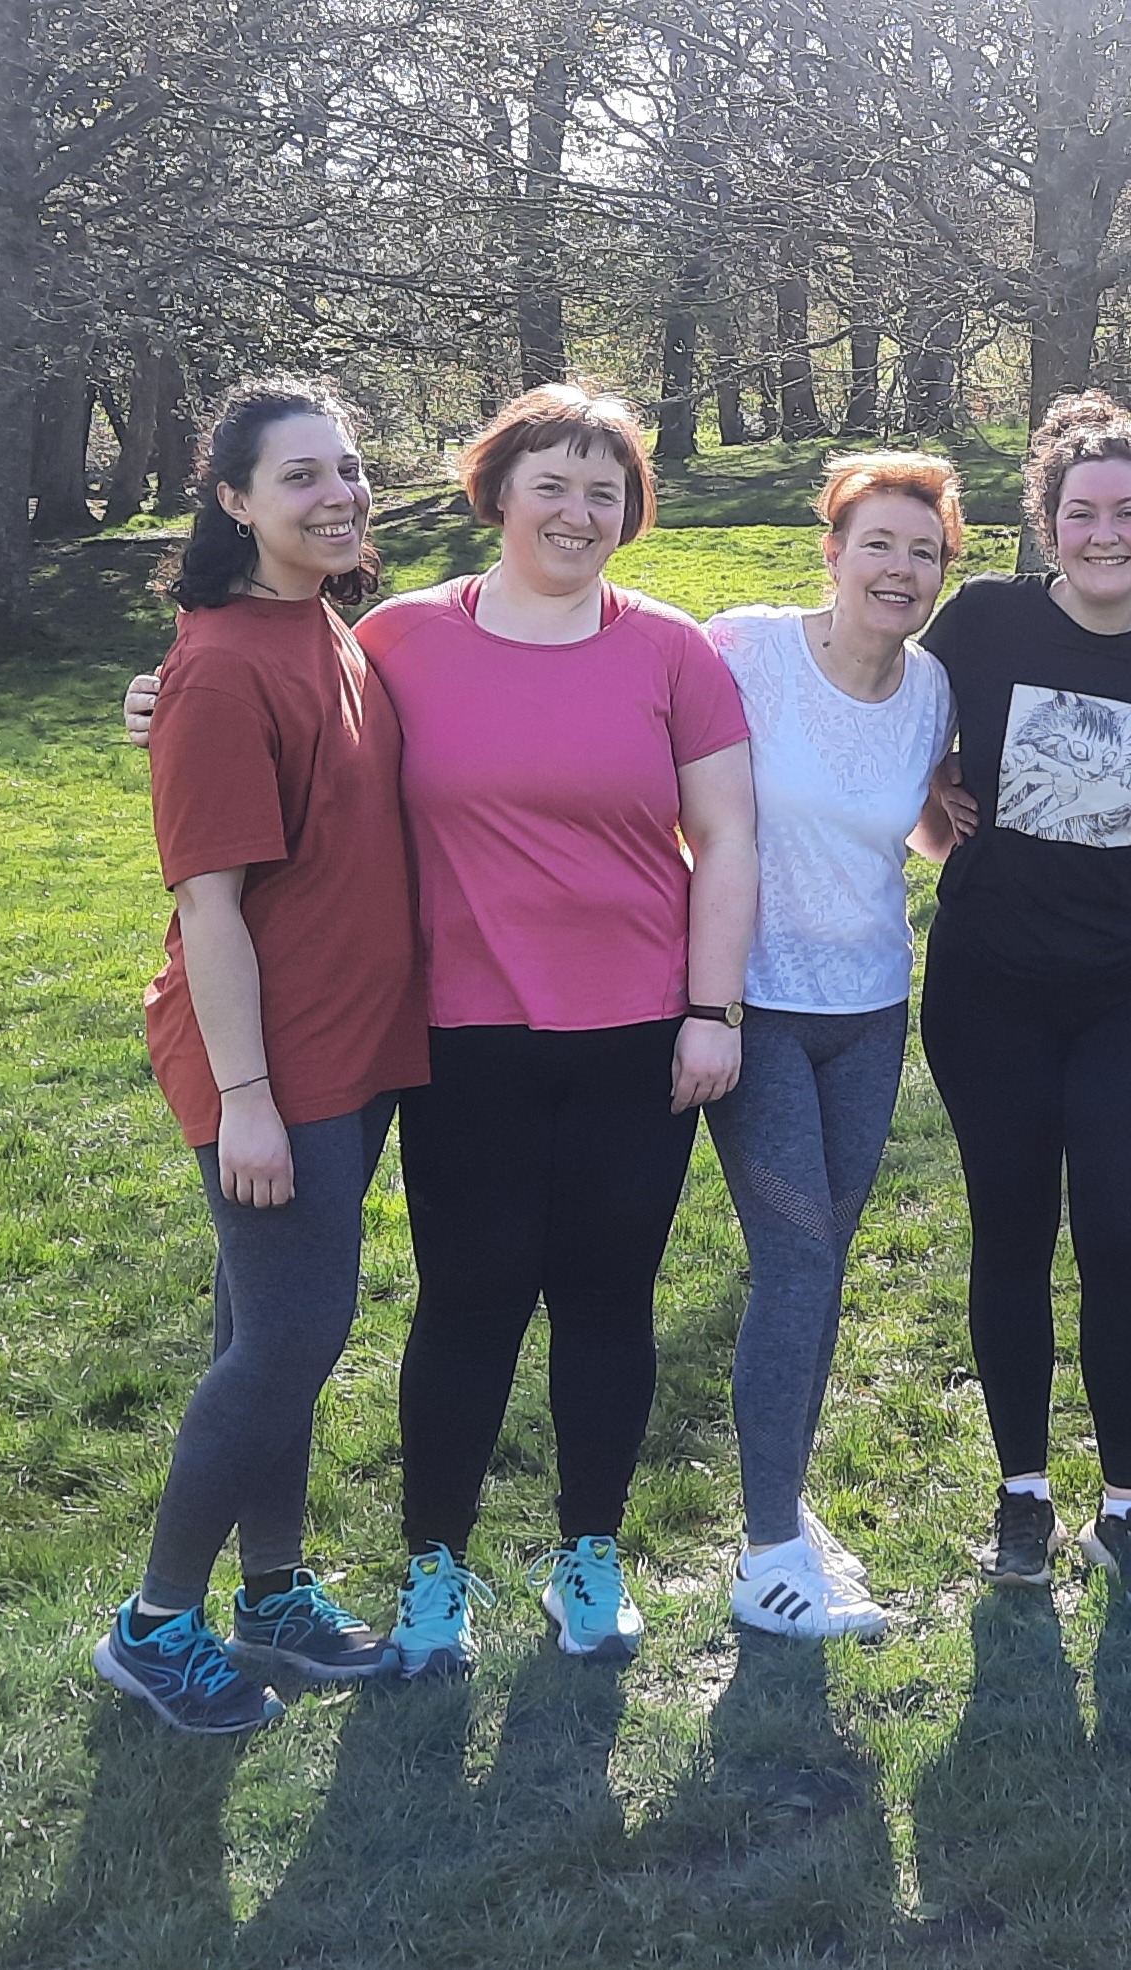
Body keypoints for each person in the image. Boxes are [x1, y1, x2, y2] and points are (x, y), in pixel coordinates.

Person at [361, 386, 754, 1675]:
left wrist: (711, 1010)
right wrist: (167, 700)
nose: (578, 512)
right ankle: (434, 1564)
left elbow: (728, 837)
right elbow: (285, 727)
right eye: (553, 484)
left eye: (605, 490)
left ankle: (590, 1552)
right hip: (462, 1034)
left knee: (606, 1300)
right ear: (498, 493)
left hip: (638, 1034)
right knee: (466, 1301)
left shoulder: (672, 650)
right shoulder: (399, 638)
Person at [98, 379, 428, 1733]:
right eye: (301, 475)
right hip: (271, 1064)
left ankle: (274, 1590)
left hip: (350, 1045)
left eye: (347, 466)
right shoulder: (224, 666)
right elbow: (210, 905)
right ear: (234, 501)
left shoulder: (323, 627)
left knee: (274, 1335)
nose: (338, 493)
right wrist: (245, 1099)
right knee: (290, 1333)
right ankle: (153, 1624)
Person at [915, 393, 1131, 1611]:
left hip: (1130, 987)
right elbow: (891, 727)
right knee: (1010, 1234)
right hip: (988, 984)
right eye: (1080, 512)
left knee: (1120, 1239)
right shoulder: (982, 622)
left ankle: (1129, 1506)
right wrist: (934, 812)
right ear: (1046, 523)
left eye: (1127, 512)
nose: (1104, 534)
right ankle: (1024, 1494)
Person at [702, 454, 964, 1640]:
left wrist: (966, 825)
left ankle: (787, 1510)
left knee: (825, 1264)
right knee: (797, 1264)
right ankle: (765, 1556)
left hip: (868, 1007)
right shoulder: (744, 647)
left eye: (924, 551)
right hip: (751, 1003)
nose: (900, 569)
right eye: (879, 544)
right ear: (833, 552)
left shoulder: (932, 687)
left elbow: (918, 824)